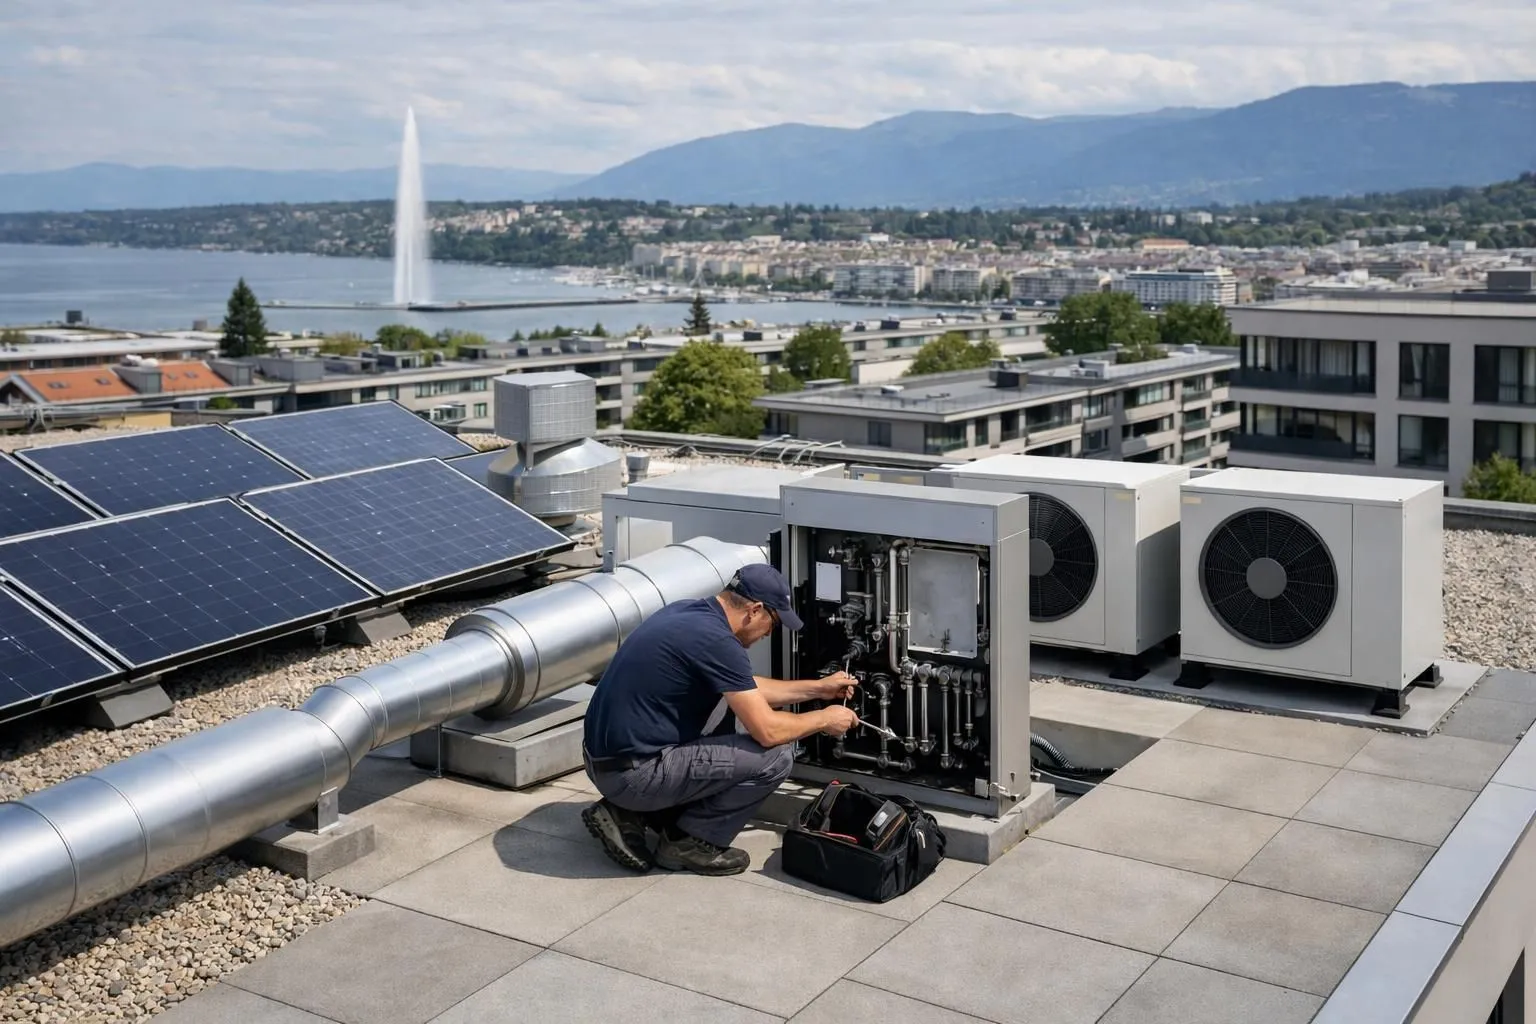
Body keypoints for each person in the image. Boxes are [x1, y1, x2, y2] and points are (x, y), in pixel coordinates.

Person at [580, 562, 860, 876]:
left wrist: (819, 689)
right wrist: (824, 719)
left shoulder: (690, 613)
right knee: (776, 757)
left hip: (606, 760)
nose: (769, 633)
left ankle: (630, 811)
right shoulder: (719, 642)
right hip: (633, 775)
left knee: (727, 704)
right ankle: (688, 843)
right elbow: (768, 731)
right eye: (773, 622)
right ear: (754, 610)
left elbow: (745, 687)